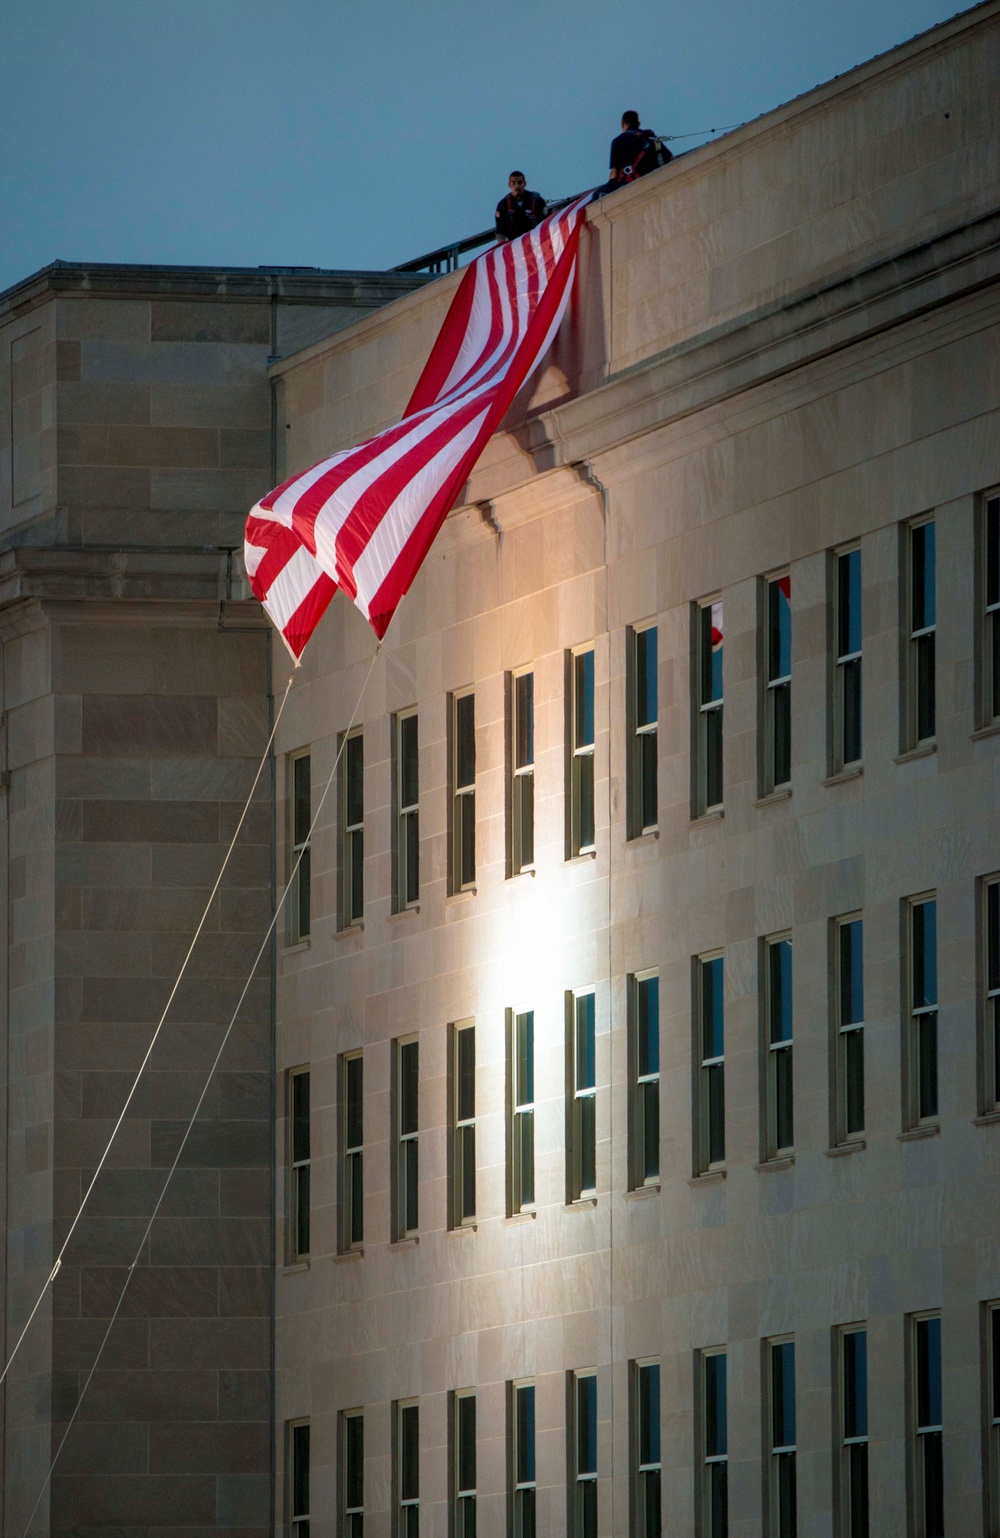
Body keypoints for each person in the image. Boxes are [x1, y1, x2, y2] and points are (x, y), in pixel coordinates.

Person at [592, 110, 672, 199]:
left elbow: (614, 174)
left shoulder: (618, 141)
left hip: (630, 182)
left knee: (596, 195)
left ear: (623, 124)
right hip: (654, 178)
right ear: (638, 123)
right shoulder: (650, 137)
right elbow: (670, 158)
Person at [495, 172, 547, 242]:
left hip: (536, 241)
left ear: (524, 183)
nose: (517, 186)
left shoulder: (537, 201)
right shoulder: (503, 205)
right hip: (515, 244)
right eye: (513, 183)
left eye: (519, 183)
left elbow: (546, 224)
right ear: (509, 185)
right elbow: (500, 232)